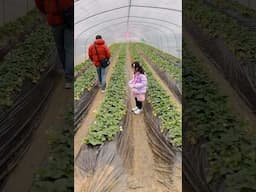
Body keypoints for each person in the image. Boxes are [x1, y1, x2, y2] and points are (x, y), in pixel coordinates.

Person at [34, 0, 74, 89]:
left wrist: (49, 12)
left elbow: (39, 4)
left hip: (55, 20)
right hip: (69, 18)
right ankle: (69, 78)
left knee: (60, 48)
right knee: (69, 49)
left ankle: (67, 73)